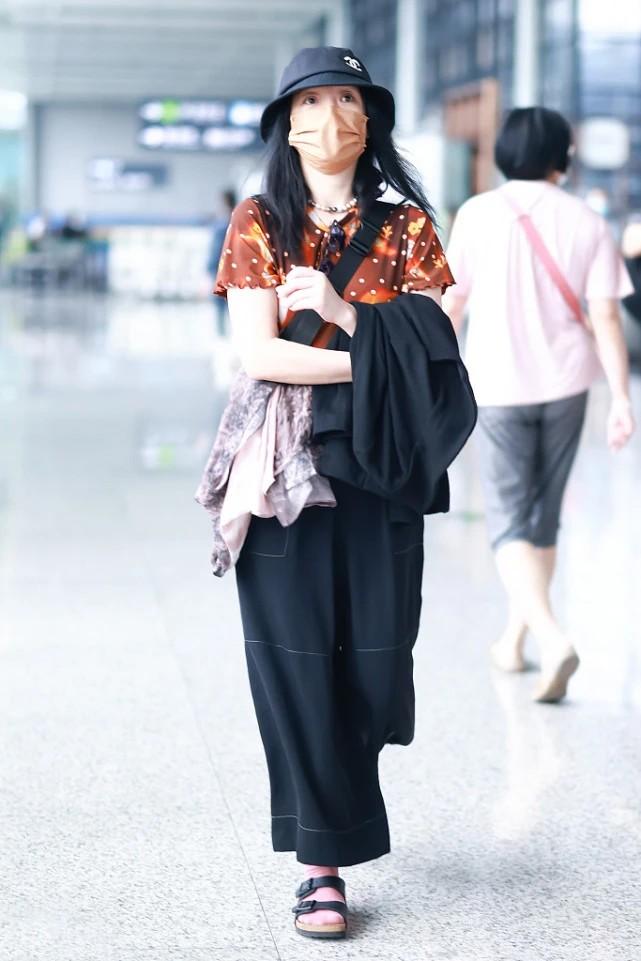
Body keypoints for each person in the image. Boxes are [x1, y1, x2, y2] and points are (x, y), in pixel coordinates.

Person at [212, 46, 461, 939]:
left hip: (384, 467)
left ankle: (345, 801)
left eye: (346, 100)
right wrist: (377, 362)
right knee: (298, 660)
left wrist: (346, 313)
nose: (329, 118)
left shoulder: (408, 227)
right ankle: (321, 865)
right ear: (287, 124)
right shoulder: (258, 220)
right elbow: (260, 353)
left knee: (376, 663)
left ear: (369, 120)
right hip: (286, 473)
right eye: (311, 103)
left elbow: (440, 344)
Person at [444, 106, 635, 703]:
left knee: (507, 520)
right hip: (568, 384)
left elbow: (453, 304)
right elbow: (606, 316)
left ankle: (551, 638)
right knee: (542, 517)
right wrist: (621, 397)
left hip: (498, 384)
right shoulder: (588, 220)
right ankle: (514, 639)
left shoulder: (477, 214)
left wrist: (434, 376)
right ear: (563, 157)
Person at [207, 189, 237, 335]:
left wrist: (209, 269)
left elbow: (215, 252)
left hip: (220, 272)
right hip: (236, 272)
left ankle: (222, 335)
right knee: (234, 306)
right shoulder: (239, 221)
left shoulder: (221, 225)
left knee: (220, 306)